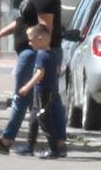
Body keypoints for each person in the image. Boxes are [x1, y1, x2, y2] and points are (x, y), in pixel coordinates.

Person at [0, 0, 63, 156]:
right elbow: (21, 20)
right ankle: (55, 144)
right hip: (30, 52)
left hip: (34, 53)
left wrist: (40, 55)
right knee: (44, 100)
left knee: (24, 96)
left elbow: (45, 29)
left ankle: (6, 140)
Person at [4, 23, 63, 158]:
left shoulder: (42, 55)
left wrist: (27, 86)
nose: (29, 43)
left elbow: (40, 73)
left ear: (40, 38)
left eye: (31, 39)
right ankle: (29, 146)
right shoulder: (51, 53)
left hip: (44, 92)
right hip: (42, 92)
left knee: (43, 119)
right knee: (34, 119)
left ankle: (54, 149)